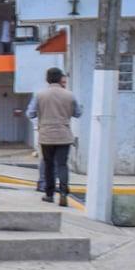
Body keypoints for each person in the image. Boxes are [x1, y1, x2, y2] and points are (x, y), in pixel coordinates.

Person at [28, 67, 82, 206]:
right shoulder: (69, 95)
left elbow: (30, 113)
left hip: (46, 136)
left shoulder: (40, 95)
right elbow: (78, 113)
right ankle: (63, 192)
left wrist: (42, 118)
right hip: (64, 135)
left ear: (47, 79)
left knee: (48, 165)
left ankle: (49, 194)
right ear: (60, 79)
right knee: (63, 164)